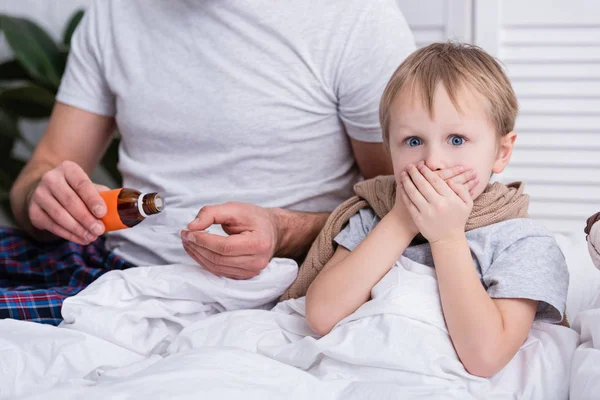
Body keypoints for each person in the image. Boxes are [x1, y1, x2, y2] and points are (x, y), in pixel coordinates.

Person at [1, 1, 474, 325]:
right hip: (119, 270)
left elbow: (404, 204)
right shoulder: (115, 12)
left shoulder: (351, 17)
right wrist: (43, 198)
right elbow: (40, 173)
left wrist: (283, 230)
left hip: (276, 289)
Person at [305, 42, 569, 378]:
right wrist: (401, 221)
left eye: (456, 140)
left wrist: (446, 238)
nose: (433, 163)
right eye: (413, 142)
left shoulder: (524, 243)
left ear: (502, 152)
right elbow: (321, 316)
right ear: (390, 151)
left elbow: (485, 358)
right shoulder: (375, 217)